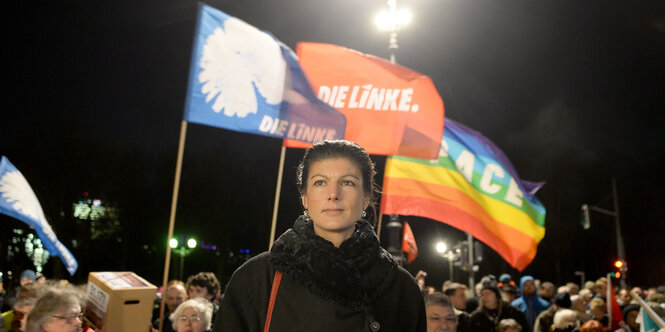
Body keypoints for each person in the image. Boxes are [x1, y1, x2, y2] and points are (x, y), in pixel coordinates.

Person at [214, 140, 426, 331]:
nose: (333, 194)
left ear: (366, 198)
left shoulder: (402, 289)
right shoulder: (258, 279)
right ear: (305, 198)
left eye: (348, 182)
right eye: (320, 182)